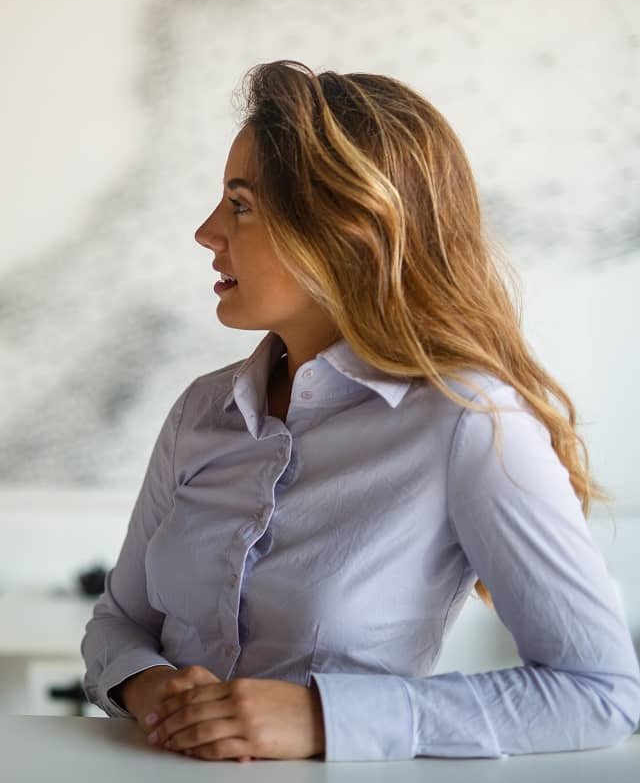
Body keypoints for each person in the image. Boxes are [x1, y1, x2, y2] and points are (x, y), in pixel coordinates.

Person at [81, 60, 640, 761]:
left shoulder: (471, 422)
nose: (207, 231)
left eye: (241, 204)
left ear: (347, 228)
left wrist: (324, 719)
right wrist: (154, 689)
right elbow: (118, 623)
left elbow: (598, 692)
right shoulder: (201, 411)